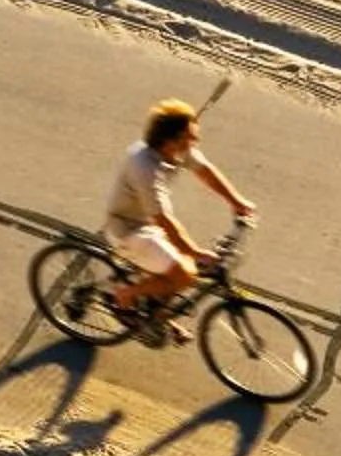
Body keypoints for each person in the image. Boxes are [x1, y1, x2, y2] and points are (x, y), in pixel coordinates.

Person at [101, 99, 254, 344]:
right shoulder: (144, 167)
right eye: (190, 138)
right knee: (185, 273)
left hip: (148, 225)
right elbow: (164, 221)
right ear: (170, 140)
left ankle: (157, 316)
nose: (196, 142)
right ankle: (124, 294)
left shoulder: (176, 149)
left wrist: (236, 202)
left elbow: (205, 171)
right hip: (128, 230)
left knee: (181, 267)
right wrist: (195, 252)